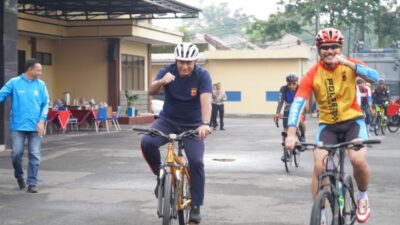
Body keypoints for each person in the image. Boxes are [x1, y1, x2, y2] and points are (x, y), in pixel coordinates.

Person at [285, 28, 379, 224]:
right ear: (319, 50)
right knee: (319, 166)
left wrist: (347, 63)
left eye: (334, 47)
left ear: (340, 47)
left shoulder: (350, 65)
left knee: (358, 160)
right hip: (328, 126)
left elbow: (375, 77)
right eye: (325, 47)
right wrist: (291, 134)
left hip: (353, 122)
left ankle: (362, 197)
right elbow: (298, 103)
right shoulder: (313, 74)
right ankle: (321, 215)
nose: (330, 51)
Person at [140, 43, 212, 224]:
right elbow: (150, 90)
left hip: (193, 124)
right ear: (176, 60)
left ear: (195, 61)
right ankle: (160, 177)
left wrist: (205, 124)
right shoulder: (167, 71)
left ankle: (195, 206)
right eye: (181, 62)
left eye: (189, 62)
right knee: (147, 142)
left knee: (196, 161)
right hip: (168, 121)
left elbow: (206, 100)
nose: (185, 66)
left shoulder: (202, 75)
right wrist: (161, 81)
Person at [0, 58, 49, 193]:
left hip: (36, 126)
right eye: (38, 70)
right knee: (16, 154)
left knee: (35, 154)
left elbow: (45, 104)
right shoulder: (14, 83)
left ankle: (32, 183)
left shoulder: (41, 85)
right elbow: (1, 95)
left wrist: (42, 121)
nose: (41, 72)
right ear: (29, 69)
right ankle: (19, 176)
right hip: (18, 126)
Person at [273, 73, 306, 162]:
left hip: (299, 107)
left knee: (300, 122)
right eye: (289, 84)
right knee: (285, 131)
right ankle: (285, 153)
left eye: (294, 83)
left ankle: (302, 136)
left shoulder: (300, 88)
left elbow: (303, 101)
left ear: (297, 82)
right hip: (288, 107)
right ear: (287, 83)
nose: (291, 86)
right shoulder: (283, 89)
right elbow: (280, 102)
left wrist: (301, 113)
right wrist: (277, 113)